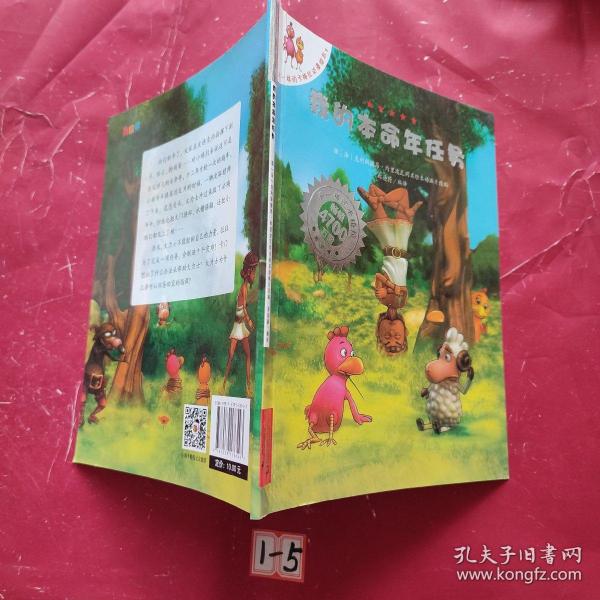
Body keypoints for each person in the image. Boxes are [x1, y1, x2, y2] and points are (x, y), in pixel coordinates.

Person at [222, 251, 259, 396]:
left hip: (240, 326)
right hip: (238, 325)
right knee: (232, 356)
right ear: (249, 272)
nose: (254, 275)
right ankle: (224, 384)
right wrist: (249, 320)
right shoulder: (243, 288)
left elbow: (243, 306)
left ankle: (248, 386)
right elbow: (242, 308)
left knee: (246, 355)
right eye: (254, 272)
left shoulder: (245, 288)